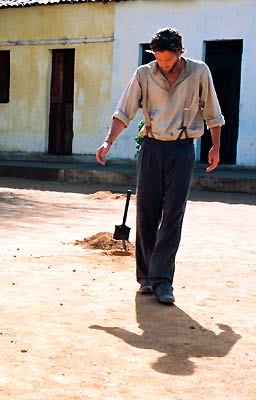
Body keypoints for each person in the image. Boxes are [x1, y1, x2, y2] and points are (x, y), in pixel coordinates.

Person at [96, 27, 224, 304]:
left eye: (169, 59)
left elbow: (213, 113)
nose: (164, 64)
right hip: (152, 147)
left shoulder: (199, 72)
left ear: (179, 53)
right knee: (147, 213)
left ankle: (163, 281)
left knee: (173, 214)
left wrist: (215, 147)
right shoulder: (144, 74)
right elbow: (124, 111)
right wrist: (108, 142)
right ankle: (145, 278)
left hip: (182, 149)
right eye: (159, 58)